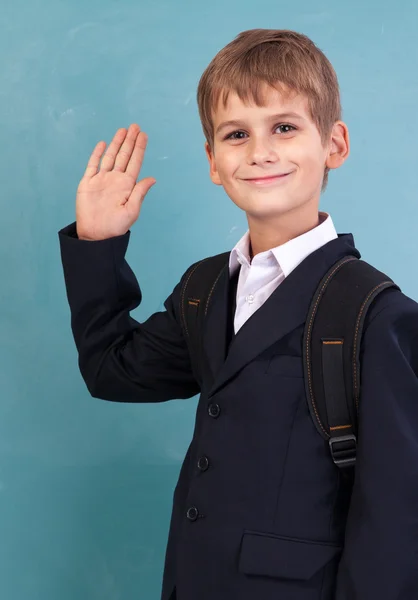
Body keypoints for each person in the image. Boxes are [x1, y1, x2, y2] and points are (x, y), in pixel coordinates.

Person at [58, 29, 418, 600]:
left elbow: (397, 520)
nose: (259, 151)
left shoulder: (376, 314)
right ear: (213, 163)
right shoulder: (204, 288)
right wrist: (97, 243)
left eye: (284, 126)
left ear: (335, 144)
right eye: (235, 134)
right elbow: (113, 370)